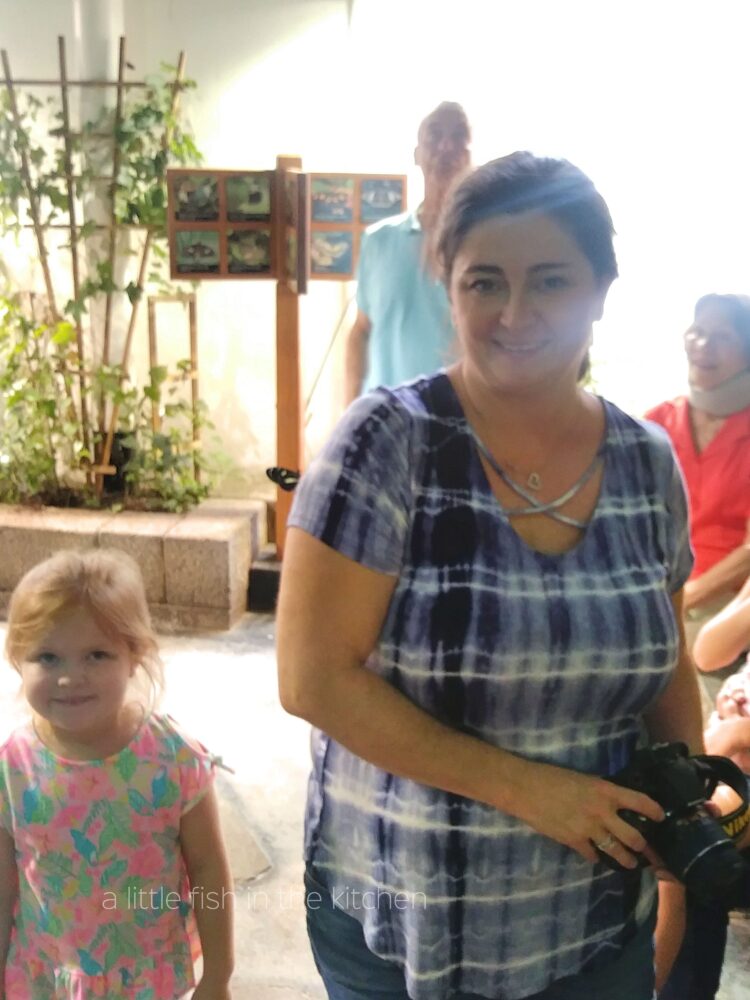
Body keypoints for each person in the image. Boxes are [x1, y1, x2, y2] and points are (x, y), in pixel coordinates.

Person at [277, 151, 704, 1000]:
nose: (515, 313)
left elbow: (668, 669)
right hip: (402, 923)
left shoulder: (646, 463)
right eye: (485, 282)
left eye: (550, 281)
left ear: (601, 290)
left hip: (592, 922)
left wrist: (684, 848)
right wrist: (531, 792)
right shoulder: (387, 442)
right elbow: (312, 678)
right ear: (449, 288)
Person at [0, 550, 234, 1000]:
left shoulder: (172, 759)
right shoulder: (13, 767)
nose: (71, 677)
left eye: (96, 655)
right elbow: (4, 882)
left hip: (146, 981)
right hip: (45, 979)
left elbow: (209, 871)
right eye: (47, 657)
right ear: (18, 661)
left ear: (134, 655)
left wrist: (219, 975)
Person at [343, 101, 471, 404]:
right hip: (385, 418)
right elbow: (361, 330)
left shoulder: (484, 245)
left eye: (458, 136)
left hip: (458, 419)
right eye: (434, 135)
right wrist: (351, 411)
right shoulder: (378, 241)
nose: (446, 146)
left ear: (469, 156)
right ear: (417, 154)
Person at [645, 295, 750, 654]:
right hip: (656, 590)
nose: (703, 345)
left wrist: (682, 599)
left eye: (723, 337)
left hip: (727, 603)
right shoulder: (656, 423)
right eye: (698, 331)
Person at [658, 658, 750, 1000]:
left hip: (728, 776)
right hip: (723, 767)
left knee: (693, 840)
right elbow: (708, 652)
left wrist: (736, 734)